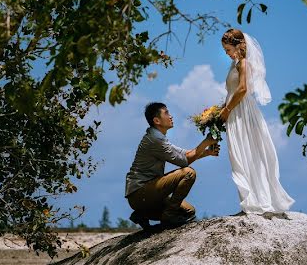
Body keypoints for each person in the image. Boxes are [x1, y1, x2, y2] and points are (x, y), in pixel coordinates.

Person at [219, 29, 294, 215]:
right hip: (234, 111)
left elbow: (243, 88)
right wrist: (221, 109)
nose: (226, 53)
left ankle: (257, 201)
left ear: (238, 46)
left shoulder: (243, 63)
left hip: (241, 112)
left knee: (246, 152)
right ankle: (250, 199)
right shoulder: (235, 64)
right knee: (240, 154)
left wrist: (227, 110)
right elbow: (232, 91)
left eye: (228, 49)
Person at [125, 102, 220, 231]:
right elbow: (184, 162)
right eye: (166, 113)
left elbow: (184, 153)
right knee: (188, 173)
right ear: (157, 120)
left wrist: (207, 152)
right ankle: (168, 216)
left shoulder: (159, 137)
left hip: (148, 193)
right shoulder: (155, 139)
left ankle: (141, 214)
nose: (171, 116)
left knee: (188, 212)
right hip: (140, 191)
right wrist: (205, 142)